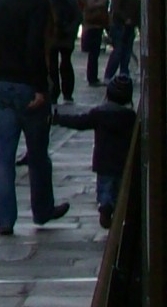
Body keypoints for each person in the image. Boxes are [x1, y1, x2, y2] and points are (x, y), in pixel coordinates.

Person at [0, 0, 69, 235]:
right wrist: (41, 89)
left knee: (4, 157)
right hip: (27, 86)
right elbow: (35, 47)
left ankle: (5, 220)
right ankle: (42, 210)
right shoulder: (38, 5)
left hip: (2, 85)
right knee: (37, 154)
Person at [52, 75, 137, 229]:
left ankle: (105, 205)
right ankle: (118, 213)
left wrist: (60, 119)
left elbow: (80, 122)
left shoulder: (99, 114)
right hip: (122, 161)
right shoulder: (131, 117)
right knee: (119, 189)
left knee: (105, 186)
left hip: (103, 161)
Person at [46, 0, 80, 101]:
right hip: (67, 37)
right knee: (66, 63)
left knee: (52, 65)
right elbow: (78, 16)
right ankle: (68, 92)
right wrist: (71, 30)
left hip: (52, 36)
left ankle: (54, 92)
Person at [105, 0, 142, 82]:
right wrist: (125, 18)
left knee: (126, 51)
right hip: (119, 26)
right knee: (119, 51)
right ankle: (109, 75)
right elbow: (115, 9)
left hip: (129, 26)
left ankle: (124, 73)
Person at [77, 0, 112, 89]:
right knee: (94, 53)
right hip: (94, 24)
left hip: (90, 24)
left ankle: (92, 77)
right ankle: (92, 77)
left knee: (94, 53)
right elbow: (90, 5)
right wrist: (101, 2)